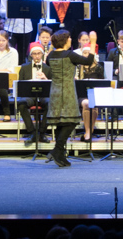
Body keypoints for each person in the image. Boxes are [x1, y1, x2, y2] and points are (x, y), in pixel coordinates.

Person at [46, 30, 97, 167]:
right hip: (67, 91)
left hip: (55, 91)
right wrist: (92, 42)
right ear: (64, 40)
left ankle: (60, 156)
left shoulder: (51, 55)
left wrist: (52, 45)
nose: (70, 39)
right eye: (69, 38)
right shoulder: (70, 55)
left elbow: (48, 62)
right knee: (71, 121)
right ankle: (57, 150)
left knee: (60, 122)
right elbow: (88, 61)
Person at [17, 42, 52, 145]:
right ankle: (32, 132)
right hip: (30, 95)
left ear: (42, 54)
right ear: (31, 55)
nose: (37, 56)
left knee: (50, 104)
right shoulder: (24, 67)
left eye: (39, 53)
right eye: (34, 54)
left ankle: (42, 132)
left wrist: (45, 79)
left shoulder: (48, 68)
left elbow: (53, 86)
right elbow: (20, 84)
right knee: (21, 104)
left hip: (43, 95)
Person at [0, 0, 37, 64]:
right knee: (8, 55)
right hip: (10, 28)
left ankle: (21, 72)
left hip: (26, 29)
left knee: (22, 57)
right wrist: (11, 11)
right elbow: (1, 11)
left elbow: (32, 10)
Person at [74, 31, 103, 141]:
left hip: (95, 94)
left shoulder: (98, 67)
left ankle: (89, 132)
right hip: (82, 95)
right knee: (87, 103)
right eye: (84, 53)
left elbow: (103, 83)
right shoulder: (78, 67)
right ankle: (88, 131)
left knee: (94, 104)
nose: (86, 55)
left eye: (88, 53)